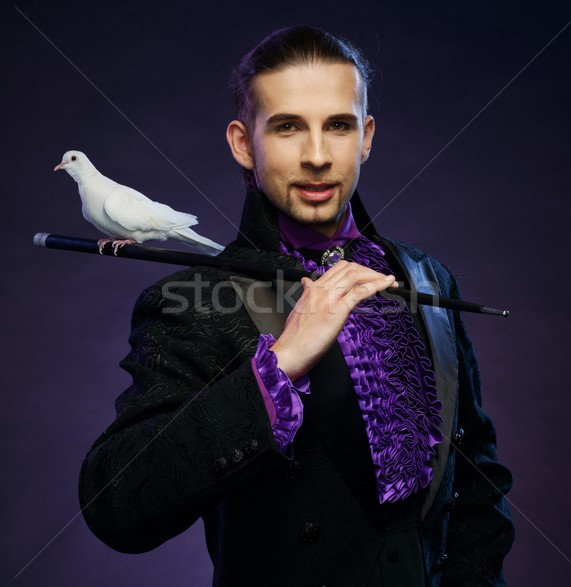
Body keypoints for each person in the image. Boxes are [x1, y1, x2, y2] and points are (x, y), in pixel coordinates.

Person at [79, 26, 514, 586]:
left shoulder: (427, 277)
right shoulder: (193, 302)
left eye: (338, 125)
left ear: (367, 136)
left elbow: (477, 476)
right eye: (287, 127)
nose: (316, 156)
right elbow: (116, 506)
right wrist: (277, 366)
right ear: (243, 143)